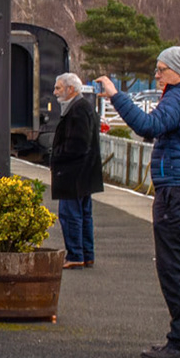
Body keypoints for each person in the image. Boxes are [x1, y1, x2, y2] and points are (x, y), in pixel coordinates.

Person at [95, 47, 180, 358]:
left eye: (161, 69)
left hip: (178, 195)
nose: (157, 75)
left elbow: (147, 126)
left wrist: (116, 95)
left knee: (176, 268)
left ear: (179, 71)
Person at [47, 72, 104, 268]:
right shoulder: (85, 107)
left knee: (70, 215)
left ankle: (75, 255)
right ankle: (86, 254)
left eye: (58, 88)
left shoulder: (77, 110)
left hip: (73, 173)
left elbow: (79, 143)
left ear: (71, 89)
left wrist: (57, 155)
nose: (55, 92)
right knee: (83, 215)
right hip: (85, 173)